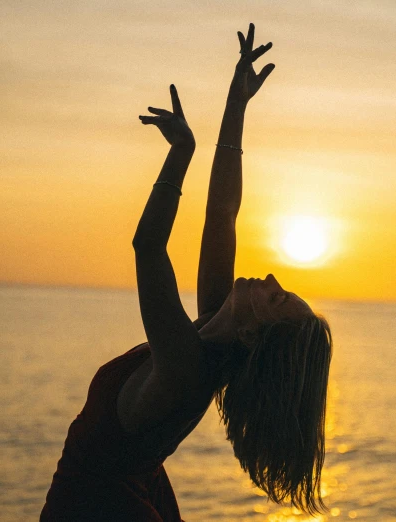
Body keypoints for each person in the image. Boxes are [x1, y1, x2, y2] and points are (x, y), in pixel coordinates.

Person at [40, 23, 332, 521]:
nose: (273, 281)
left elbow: (148, 247)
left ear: (253, 333)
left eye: (278, 299)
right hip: (139, 491)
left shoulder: (185, 365)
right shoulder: (214, 327)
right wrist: (236, 104)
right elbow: (222, 212)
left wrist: (180, 155)